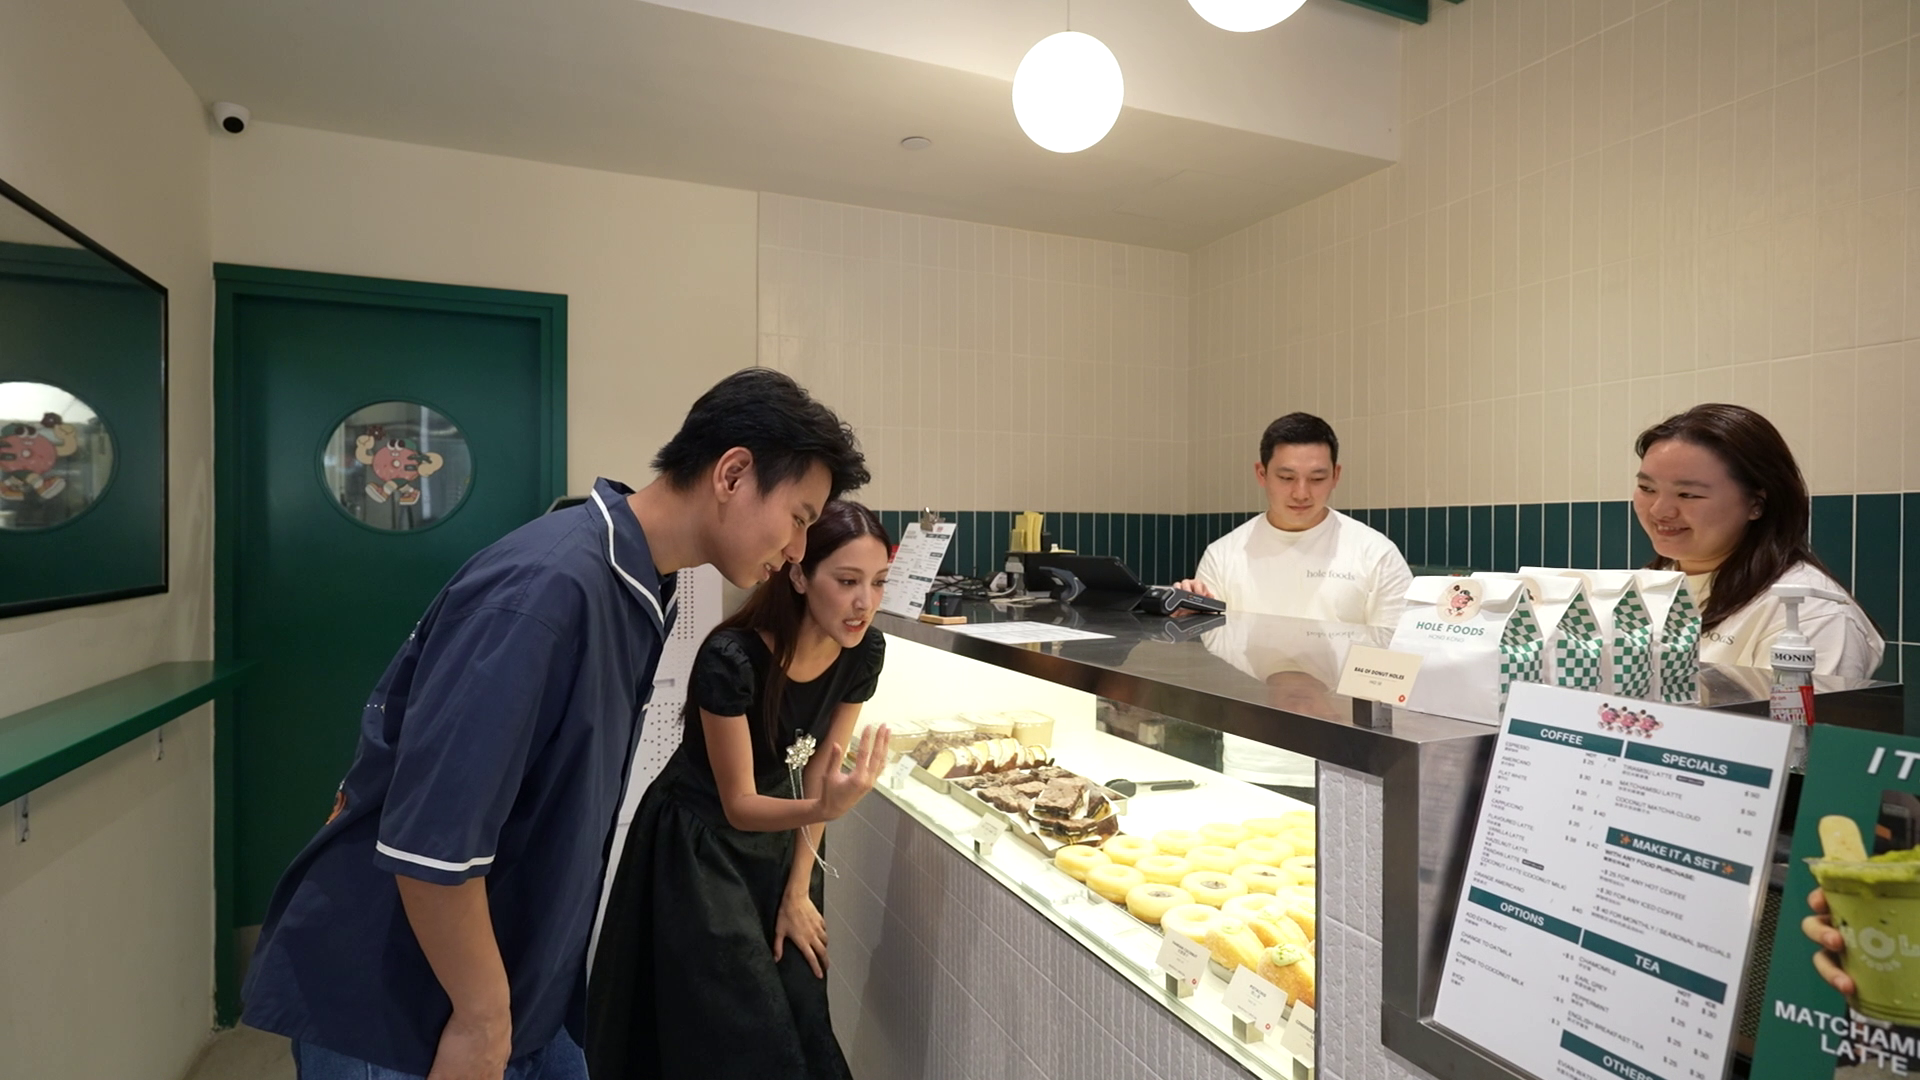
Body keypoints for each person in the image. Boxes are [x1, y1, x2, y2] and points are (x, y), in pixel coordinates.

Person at [241, 368, 869, 1080]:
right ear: (732, 474)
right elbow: (431, 842)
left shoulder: (638, 583)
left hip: (516, 986)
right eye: (799, 518)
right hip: (406, 999)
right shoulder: (547, 589)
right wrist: (481, 1020)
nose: (797, 550)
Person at [586, 501, 895, 1080]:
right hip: (701, 846)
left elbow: (820, 773)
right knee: (730, 1026)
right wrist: (822, 807)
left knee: (799, 1002)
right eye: (847, 581)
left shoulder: (864, 652)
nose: (865, 602)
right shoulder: (732, 659)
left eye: (878, 582)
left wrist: (798, 890)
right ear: (799, 576)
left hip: (787, 839)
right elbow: (739, 803)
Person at [1172, 412, 1412, 800]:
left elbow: (1396, 659)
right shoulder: (1224, 554)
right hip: (1254, 754)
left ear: (1336, 476)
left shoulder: (1375, 553)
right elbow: (1210, 667)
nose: (1301, 493)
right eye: (1286, 477)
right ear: (1261, 473)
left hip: (1344, 754)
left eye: (1317, 478)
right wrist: (1190, 623)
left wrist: (1332, 703)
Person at [1633, 404, 1883, 679]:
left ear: (1756, 504)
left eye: (1688, 495)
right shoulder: (1638, 590)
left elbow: (1801, 707)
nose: (1660, 510)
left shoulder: (1807, 612)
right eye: (1647, 488)